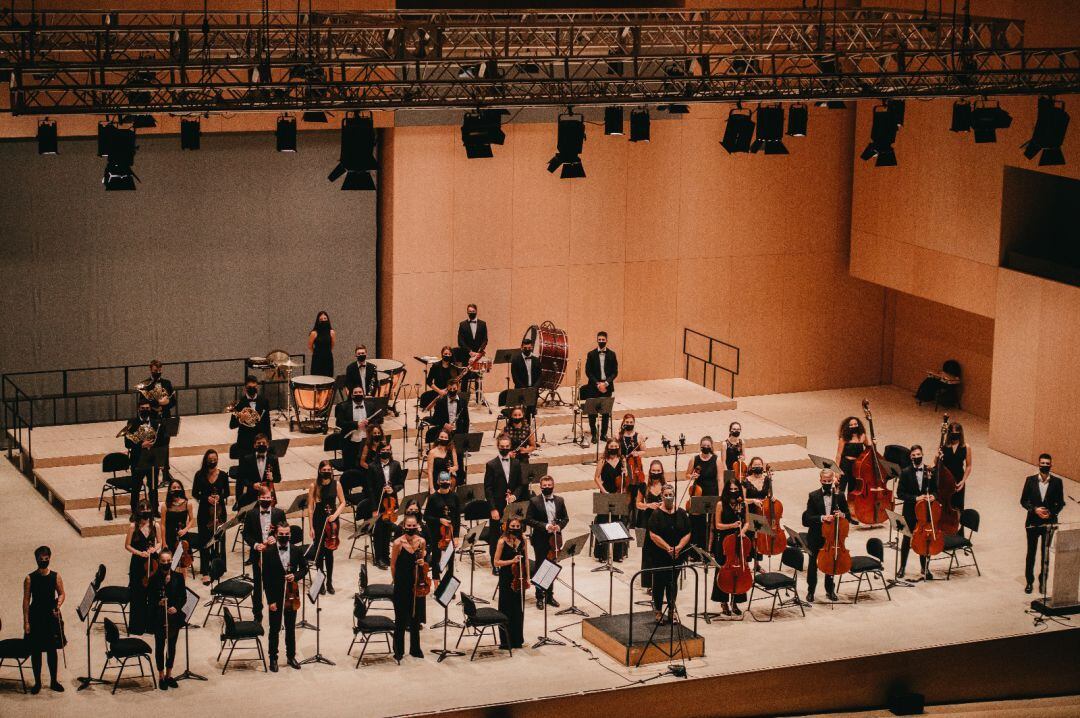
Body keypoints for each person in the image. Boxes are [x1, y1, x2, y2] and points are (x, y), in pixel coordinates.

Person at [262, 521, 307, 672]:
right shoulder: (268, 552)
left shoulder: (296, 550)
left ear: (290, 535)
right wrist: (270, 601)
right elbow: (266, 578)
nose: (284, 536)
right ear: (276, 534)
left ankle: (291, 656)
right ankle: (273, 658)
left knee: (290, 627)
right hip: (275, 594)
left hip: (291, 593)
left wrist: (295, 575)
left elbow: (305, 568)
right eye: (281, 534)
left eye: (286, 534)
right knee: (274, 628)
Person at [802, 469, 851, 603]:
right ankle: (811, 591)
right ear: (820, 480)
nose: (827, 483)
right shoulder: (813, 496)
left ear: (833, 480)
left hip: (833, 536)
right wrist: (823, 517)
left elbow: (849, 515)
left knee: (831, 563)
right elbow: (807, 519)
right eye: (825, 481)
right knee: (813, 565)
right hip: (816, 535)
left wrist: (842, 515)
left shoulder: (839, 495)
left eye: (830, 481)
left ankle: (830, 590)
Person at [22, 546, 65, 694]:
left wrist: (58, 605)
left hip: (50, 615)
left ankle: (53, 681)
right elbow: (26, 601)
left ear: (49, 559)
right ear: (36, 560)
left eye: (46, 559)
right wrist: (26, 622)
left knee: (52, 651)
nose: (44, 562)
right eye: (41, 560)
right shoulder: (30, 578)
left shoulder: (56, 576)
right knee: (36, 651)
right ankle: (37, 683)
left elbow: (61, 594)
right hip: (36, 616)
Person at [1021, 453, 1065, 594]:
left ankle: (1043, 582)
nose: (1045, 466)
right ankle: (1029, 582)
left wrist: (1051, 513)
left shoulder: (1057, 482)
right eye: (1043, 463)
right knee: (1031, 554)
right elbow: (1023, 501)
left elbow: (1060, 503)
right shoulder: (1030, 481)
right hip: (1033, 523)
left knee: (1045, 555)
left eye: (1047, 464)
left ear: (1051, 465)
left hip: (1048, 524)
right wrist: (1035, 509)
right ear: (1038, 464)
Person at [647, 484, 691, 623]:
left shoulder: (682, 513)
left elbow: (687, 532)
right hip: (660, 555)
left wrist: (678, 547)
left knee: (672, 583)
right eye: (665, 495)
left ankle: (672, 611)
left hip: (677, 554)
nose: (668, 497)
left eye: (670, 494)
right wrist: (668, 548)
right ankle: (659, 612)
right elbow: (653, 535)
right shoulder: (656, 514)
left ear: (674, 495)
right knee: (659, 583)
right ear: (661, 496)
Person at [243, 484, 285, 622]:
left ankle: (277, 612)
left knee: (275, 583)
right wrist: (255, 545)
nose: (266, 499)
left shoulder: (279, 513)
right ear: (259, 498)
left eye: (268, 497)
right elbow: (246, 534)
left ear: (272, 499)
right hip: (258, 554)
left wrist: (277, 538)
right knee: (258, 585)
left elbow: (285, 531)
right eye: (263, 497)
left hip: (275, 555)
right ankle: (257, 614)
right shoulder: (251, 514)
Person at [484, 434, 527, 569]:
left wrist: (514, 495)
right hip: (498, 506)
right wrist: (493, 509)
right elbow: (488, 488)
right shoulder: (491, 464)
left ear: (510, 447)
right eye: (502, 447)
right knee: (496, 535)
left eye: (507, 447)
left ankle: (514, 561)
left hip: (513, 506)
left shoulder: (516, 463)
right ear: (498, 447)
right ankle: (495, 564)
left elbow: (520, 484)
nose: (504, 448)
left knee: (515, 533)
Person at [525, 475, 568, 609]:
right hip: (540, 538)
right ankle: (539, 596)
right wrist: (545, 526)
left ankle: (549, 596)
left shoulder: (560, 500)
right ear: (541, 487)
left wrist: (559, 526)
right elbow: (529, 520)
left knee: (551, 566)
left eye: (549, 485)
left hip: (555, 539)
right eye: (545, 486)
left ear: (553, 486)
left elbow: (565, 518)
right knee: (540, 567)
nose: (547, 488)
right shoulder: (534, 501)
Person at [390, 513, 427, 661]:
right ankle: (398, 650)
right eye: (408, 526)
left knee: (415, 618)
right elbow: (392, 565)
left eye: (413, 526)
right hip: (401, 584)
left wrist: (422, 563)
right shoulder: (398, 543)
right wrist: (396, 581)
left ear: (417, 526)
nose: (411, 528)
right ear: (404, 527)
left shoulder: (421, 541)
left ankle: (415, 649)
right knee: (400, 618)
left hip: (416, 583)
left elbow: (422, 560)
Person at [897, 445, 937, 580]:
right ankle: (902, 567)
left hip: (925, 511)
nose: (916, 457)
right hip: (910, 511)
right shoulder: (905, 472)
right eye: (913, 455)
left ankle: (924, 568)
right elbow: (900, 493)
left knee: (924, 538)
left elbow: (935, 489)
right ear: (910, 457)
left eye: (918, 454)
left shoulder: (929, 470)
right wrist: (915, 498)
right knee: (906, 538)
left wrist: (933, 496)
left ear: (922, 454)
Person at [146, 550, 185, 690]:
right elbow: (149, 600)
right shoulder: (153, 579)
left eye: (169, 561)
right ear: (159, 562)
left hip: (174, 618)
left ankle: (169, 675)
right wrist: (158, 603)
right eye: (164, 562)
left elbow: (183, 597)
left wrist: (177, 608)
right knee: (160, 646)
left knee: (172, 646)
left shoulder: (179, 577)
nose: (166, 564)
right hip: (159, 617)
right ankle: (161, 676)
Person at [712, 476, 749, 615]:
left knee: (739, 570)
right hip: (724, 542)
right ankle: (723, 602)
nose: (733, 491)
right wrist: (732, 526)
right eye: (731, 489)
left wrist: (743, 531)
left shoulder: (743, 504)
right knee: (723, 570)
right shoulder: (721, 504)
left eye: (736, 489)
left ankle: (735, 601)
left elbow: (747, 523)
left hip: (739, 539)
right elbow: (718, 525)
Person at [307, 460, 345, 594]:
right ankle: (320, 582)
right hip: (318, 520)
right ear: (319, 471)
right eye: (325, 470)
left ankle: (329, 582)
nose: (327, 472)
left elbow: (343, 502)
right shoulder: (314, 485)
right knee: (319, 552)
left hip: (332, 521)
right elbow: (310, 508)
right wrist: (311, 527)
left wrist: (335, 515)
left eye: (329, 470)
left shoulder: (337, 484)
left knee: (329, 553)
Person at [192, 449, 229, 583]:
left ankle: (218, 568)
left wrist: (220, 496)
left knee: (219, 540)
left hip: (220, 512)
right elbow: (195, 493)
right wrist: (206, 498)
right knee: (205, 540)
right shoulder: (199, 475)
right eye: (210, 460)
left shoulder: (223, 475)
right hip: (204, 512)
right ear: (206, 460)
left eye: (215, 459)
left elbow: (227, 493)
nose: (212, 462)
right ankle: (206, 570)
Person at [123, 396, 163, 514]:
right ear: (138, 409)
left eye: (147, 408)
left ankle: (155, 510)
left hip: (152, 460)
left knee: (153, 487)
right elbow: (127, 443)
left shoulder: (156, 423)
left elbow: (161, 441)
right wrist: (141, 444)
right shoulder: (132, 423)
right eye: (142, 408)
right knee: (136, 488)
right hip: (137, 460)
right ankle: (135, 512)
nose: (145, 410)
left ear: (150, 409)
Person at [369, 444, 406, 569]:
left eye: (388, 450)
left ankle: (386, 556)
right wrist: (374, 508)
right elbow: (370, 490)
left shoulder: (396, 465)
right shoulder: (372, 467)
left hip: (391, 503)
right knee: (379, 532)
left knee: (388, 531)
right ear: (379, 452)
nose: (386, 452)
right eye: (383, 450)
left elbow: (401, 484)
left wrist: (393, 489)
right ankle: (378, 557)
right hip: (379, 504)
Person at [493, 517, 528, 649]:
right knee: (506, 609)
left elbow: (525, 561)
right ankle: (505, 641)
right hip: (506, 578)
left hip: (519, 578)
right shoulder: (502, 541)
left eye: (517, 526)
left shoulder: (523, 540)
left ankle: (517, 640)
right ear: (508, 527)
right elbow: (496, 562)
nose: (515, 528)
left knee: (518, 610)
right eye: (512, 526)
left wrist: (527, 579)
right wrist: (511, 561)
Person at [124, 502, 158, 635]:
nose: (146, 511)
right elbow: (127, 545)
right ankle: (137, 626)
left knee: (152, 593)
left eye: (148, 508)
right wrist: (139, 553)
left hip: (152, 562)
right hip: (138, 562)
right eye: (143, 509)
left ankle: (151, 626)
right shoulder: (133, 527)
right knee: (138, 593)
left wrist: (154, 549)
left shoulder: (155, 525)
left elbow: (160, 541)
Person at [580, 331, 618, 443]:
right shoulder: (591, 354)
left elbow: (615, 372)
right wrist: (598, 384)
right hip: (594, 387)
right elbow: (588, 372)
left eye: (603, 340)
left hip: (607, 387)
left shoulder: (612, 354)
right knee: (592, 412)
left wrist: (606, 383)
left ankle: (604, 434)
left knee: (605, 412)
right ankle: (594, 434)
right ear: (597, 340)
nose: (601, 341)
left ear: (606, 340)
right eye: (599, 340)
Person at [593, 439, 627, 562]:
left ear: (618, 447)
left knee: (619, 522)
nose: (613, 448)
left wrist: (626, 471)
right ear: (608, 447)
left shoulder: (622, 460)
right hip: (605, 493)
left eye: (615, 446)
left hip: (619, 493)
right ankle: (602, 554)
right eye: (611, 446)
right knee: (602, 522)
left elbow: (627, 477)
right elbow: (596, 478)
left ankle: (619, 554)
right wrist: (604, 491)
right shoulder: (602, 461)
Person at [424, 472, 461, 582]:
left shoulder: (455, 496)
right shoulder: (433, 497)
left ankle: (447, 587)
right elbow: (426, 517)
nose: (445, 482)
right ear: (438, 482)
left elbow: (457, 518)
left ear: (450, 481)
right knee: (436, 559)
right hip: (436, 533)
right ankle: (436, 584)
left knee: (450, 561)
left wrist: (457, 536)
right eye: (442, 480)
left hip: (450, 534)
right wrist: (439, 520)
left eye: (447, 480)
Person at [635, 462, 666, 591]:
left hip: (661, 521)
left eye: (658, 470)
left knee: (659, 552)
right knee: (647, 552)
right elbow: (637, 504)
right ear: (650, 471)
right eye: (653, 470)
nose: (656, 473)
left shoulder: (665, 487)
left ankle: (659, 582)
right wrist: (648, 505)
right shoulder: (643, 486)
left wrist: (662, 505)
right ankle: (648, 584)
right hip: (646, 521)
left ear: (662, 471)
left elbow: (669, 502)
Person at [686, 436, 720, 549]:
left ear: (711, 447)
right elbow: (687, 475)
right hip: (698, 493)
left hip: (712, 493)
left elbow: (720, 478)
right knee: (697, 522)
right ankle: (696, 549)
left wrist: (720, 495)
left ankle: (709, 549)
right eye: (703, 446)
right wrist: (692, 476)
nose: (705, 447)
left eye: (708, 446)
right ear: (700, 446)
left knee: (711, 523)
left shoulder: (716, 459)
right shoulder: (694, 459)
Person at [158, 479, 194, 573]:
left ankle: (182, 586)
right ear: (170, 490)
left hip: (183, 537)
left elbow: (191, 520)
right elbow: (162, 524)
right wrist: (164, 542)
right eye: (174, 487)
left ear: (182, 489)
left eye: (178, 487)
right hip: (169, 537)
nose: (176, 489)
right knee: (171, 565)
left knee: (183, 565)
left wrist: (185, 530)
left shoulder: (187, 504)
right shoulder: (165, 506)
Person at [235, 433, 281, 508]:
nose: (261, 445)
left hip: (268, 495)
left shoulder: (273, 459)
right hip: (252, 497)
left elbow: (278, 478)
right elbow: (242, 479)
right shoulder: (247, 459)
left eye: (263, 443)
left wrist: (273, 478)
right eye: (259, 443)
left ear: (268, 445)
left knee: (268, 519)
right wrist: (252, 485)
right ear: (254, 445)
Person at [230, 375, 272, 453]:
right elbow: (232, 425)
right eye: (250, 387)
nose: (252, 389)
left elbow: (267, 423)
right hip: (245, 442)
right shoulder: (239, 403)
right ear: (245, 388)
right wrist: (241, 420)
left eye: (254, 387)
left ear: (257, 387)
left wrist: (269, 441)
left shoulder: (264, 401)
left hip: (260, 442)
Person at [335, 384, 371, 471]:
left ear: (363, 394)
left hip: (366, 441)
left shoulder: (370, 405)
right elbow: (339, 423)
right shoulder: (343, 406)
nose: (358, 394)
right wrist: (355, 424)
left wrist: (369, 423)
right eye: (355, 393)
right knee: (350, 467)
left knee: (365, 466)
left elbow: (379, 421)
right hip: (349, 442)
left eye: (360, 392)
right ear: (351, 395)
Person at [940, 421, 973, 516]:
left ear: (960, 434)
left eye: (956, 434)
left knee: (957, 509)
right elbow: (936, 463)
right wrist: (938, 457)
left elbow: (969, 465)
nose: (954, 436)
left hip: (959, 480)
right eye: (952, 433)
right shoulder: (943, 446)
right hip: (945, 480)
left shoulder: (966, 447)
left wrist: (963, 481)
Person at [456, 303, 488, 400]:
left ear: (476, 311)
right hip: (466, 355)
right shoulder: (462, 324)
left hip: (478, 355)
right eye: (469, 312)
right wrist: (470, 351)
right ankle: (463, 399)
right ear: (467, 312)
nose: (471, 313)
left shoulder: (483, 324)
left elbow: (485, 340)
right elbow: (460, 341)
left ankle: (479, 398)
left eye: (473, 312)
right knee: (465, 377)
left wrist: (479, 352)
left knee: (479, 376)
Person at [835, 416, 871, 494]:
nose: (854, 426)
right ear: (847, 426)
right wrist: (837, 471)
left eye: (855, 424)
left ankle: (850, 505)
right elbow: (838, 455)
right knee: (840, 489)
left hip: (856, 466)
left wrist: (873, 444)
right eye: (851, 425)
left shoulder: (862, 436)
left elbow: (868, 449)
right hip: (844, 464)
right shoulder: (844, 438)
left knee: (853, 489)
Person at [429, 377, 470, 442]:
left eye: (454, 388)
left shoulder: (463, 402)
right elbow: (435, 419)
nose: (452, 390)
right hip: (444, 433)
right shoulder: (441, 402)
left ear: (458, 388)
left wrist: (465, 436)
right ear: (447, 389)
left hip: (458, 433)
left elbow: (466, 420)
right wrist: (444, 424)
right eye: (450, 389)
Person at [425, 426, 459, 493]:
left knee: (453, 480)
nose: (443, 439)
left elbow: (456, 466)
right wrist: (431, 488)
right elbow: (430, 471)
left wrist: (452, 469)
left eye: (445, 438)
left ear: (449, 439)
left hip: (448, 477)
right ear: (438, 438)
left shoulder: (452, 450)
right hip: (436, 479)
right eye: (441, 437)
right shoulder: (432, 452)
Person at [308, 311, 335, 378]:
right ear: (318, 321)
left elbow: (332, 345)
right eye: (321, 319)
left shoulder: (332, 332)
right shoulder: (314, 333)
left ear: (328, 319)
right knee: (316, 378)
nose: (323, 320)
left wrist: (326, 352)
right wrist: (316, 353)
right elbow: (310, 346)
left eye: (325, 318)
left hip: (328, 358)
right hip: (317, 358)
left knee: (328, 377)